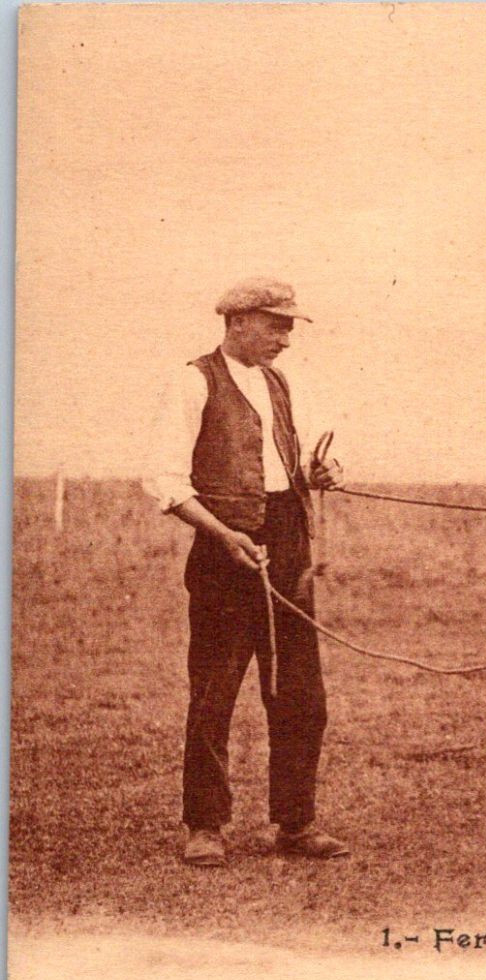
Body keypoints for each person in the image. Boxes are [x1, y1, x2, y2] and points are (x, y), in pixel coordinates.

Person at [144, 278, 348, 867]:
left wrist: (320, 473)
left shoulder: (278, 382)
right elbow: (163, 480)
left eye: (289, 327)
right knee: (214, 691)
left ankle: (296, 823)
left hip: (287, 543)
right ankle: (205, 825)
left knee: (300, 692)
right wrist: (225, 535)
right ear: (237, 321)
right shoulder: (193, 379)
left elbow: (287, 467)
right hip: (222, 548)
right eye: (276, 325)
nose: (286, 338)